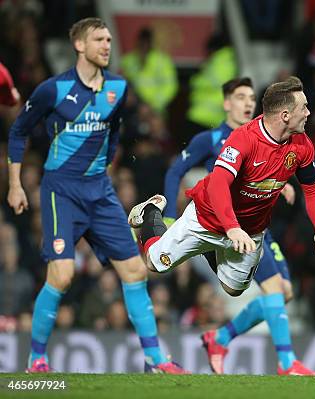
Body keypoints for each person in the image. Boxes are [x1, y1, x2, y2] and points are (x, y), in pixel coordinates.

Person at [7, 17, 187, 374]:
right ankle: (37, 361)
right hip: (62, 190)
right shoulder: (53, 90)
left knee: (135, 271)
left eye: (108, 39)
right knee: (61, 276)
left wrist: (106, 164)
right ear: (79, 45)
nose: (107, 45)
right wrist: (15, 184)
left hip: (100, 191)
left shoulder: (118, 88)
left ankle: (155, 360)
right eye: (99, 39)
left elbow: (115, 129)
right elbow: (18, 131)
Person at [129, 75, 315, 374]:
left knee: (234, 289)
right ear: (285, 115)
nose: (309, 112)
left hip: (250, 230)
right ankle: (149, 215)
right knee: (153, 263)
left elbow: (314, 189)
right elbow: (218, 185)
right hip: (208, 218)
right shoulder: (243, 138)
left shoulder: (302, 145)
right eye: (304, 107)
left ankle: (222, 330)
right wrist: (230, 227)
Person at [120, 27, 178, 114]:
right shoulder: (128, 60)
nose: (144, 45)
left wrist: (152, 105)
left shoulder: (162, 60)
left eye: (146, 42)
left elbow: (170, 87)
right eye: (141, 42)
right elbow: (120, 82)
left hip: (154, 110)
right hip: (131, 108)